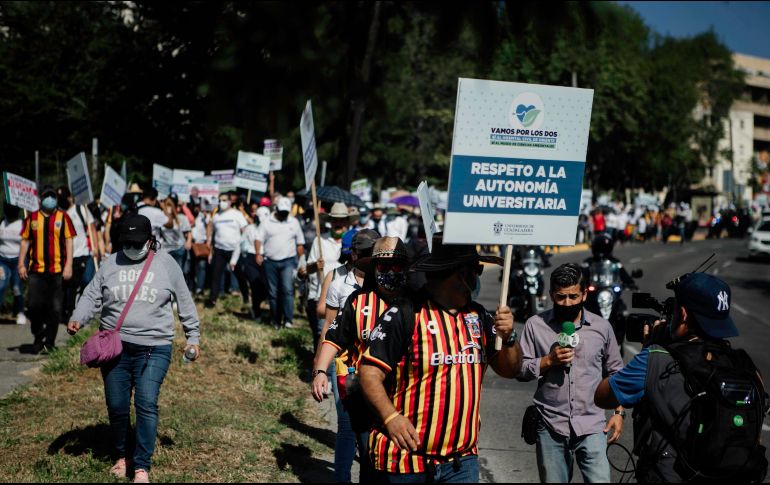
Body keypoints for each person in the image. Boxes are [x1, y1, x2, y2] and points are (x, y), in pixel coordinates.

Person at [359, 233, 523, 483]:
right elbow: (369, 373)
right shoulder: (406, 314)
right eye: (476, 269)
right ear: (460, 274)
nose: (477, 277)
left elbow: (510, 369)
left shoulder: (479, 317)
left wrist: (509, 337)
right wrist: (390, 417)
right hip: (407, 462)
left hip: (461, 462)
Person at [594, 273, 767, 482]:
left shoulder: (656, 359)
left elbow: (603, 396)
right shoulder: (746, 366)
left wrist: (649, 347)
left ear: (683, 314)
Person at [67, 214, 200, 484]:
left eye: (137, 242)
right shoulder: (110, 262)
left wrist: (193, 336)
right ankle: (121, 455)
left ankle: (141, 466)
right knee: (117, 406)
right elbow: (92, 294)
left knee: (146, 403)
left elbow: (184, 299)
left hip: (155, 346)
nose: (132, 247)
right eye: (127, 242)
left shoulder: (166, 264)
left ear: (150, 240)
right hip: (115, 347)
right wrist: (78, 317)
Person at [517, 263, 624, 483]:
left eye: (573, 297)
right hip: (550, 423)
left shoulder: (601, 327)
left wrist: (618, 413)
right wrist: (548, 360)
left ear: (585, 294)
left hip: (593, 425)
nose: (567, 303)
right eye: (561, 297)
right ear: (550, 295)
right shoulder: (535, 325)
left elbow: (616, 373)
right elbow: (520, 369)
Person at [312, 229, 382, 483]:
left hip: (379, 367)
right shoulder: (340, 283)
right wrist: (320, 367)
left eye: (373, 254)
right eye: (363, 253)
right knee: (347, 424)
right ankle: (341, 478)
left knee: (372, 432)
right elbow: (329, 327)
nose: (368, 259)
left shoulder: (388, 284)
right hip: (346, 366)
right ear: (353, 254)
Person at [18, 185, 75, 353]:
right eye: (47, 196)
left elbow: (69, 241)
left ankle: (49, 342)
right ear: (41, 199)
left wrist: (69, 265)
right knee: (34, 306)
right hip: (36, 271)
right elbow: (25, 241)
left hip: (57, 271)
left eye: (52, 196)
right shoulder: (32, 218)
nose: (50, 199)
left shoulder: (63, 217)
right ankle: (38, 334)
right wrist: (21, 263)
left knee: (55, 308)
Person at [300, 202, 348, 348]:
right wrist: (315, 266)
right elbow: (306, 270)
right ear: (330, 222)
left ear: (347, 222)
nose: (338, 223)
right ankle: (320, 368)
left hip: (345, 298)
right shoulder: (320, 240)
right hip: (321, 297)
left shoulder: (353, 242)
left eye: (341, 220)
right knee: (322, 335)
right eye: (335, 220)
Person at [255, 196, 305, 328]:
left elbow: (300, 243)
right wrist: (258, 253)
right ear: (276, 209)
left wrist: (302, 261)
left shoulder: (294, 222)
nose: (283, 215)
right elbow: (258, 238)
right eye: (281, 212)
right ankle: (276, 319)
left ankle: (288, 320)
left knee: (288, 290)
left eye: (286, 212)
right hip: (270, 261)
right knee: (273, 292)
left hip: (288, 261)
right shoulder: (267, 222)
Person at [57, 186, 100, 324]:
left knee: (87, 281)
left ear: (70, 197)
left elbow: (92, 228)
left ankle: (85, 309)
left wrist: (96, 247)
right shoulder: (58, 213)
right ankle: (72, 313)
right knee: (70, 286)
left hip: (85, 253)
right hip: (68, 256)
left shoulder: (81, 210)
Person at [206, 193, 248, 308]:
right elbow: (213, 234)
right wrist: (211, 251)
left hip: (235, 250)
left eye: (224, 200)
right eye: (220, 200)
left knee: (239, 275)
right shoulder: (216, 216)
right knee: (216, 275)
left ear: (230, 202)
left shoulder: (237, 214)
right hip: (219, 250)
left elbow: (245, 230)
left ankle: (246, 296)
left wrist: (241, 245)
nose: (221, 202)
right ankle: (212, 300)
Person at [231, 205, 268, 323]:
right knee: (255, 285)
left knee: (265, 286)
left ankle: (259, 304)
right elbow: (239, 244)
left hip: (266, 259)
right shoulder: (250, 228)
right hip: (251, 259)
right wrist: (233, 260)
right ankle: (256, 312)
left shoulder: (270, 228)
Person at [0, 202, 26, 324]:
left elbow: (26, 243)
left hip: (18, 260)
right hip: (3, 260)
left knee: (17, 287)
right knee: (1, 284)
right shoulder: (1, 223)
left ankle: (20, 311)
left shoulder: (23, 224)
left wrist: (22, 264)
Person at [159, 194, 192, 270]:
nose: (169, 207)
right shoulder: (161, 218)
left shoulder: (181, 217)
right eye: (167, 205)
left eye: (170, 205)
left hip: (178, 248)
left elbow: (188, 231)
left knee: (178, 274)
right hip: (166, 250)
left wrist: (188, 241)